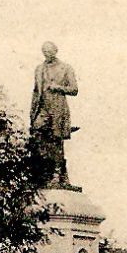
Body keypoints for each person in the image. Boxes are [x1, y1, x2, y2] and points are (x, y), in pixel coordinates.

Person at [30, 41, 79, 189]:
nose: (46, 53)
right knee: (38, 136)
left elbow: (74, 89)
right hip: (42, 108)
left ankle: (57, 174)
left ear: (55, 51)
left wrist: (58, 87)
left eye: (49, 51)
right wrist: (32, 114)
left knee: (56, 140)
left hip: (57, 108)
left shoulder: (66, 68)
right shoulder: (39, 69)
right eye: (44, 51)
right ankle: (44, 172)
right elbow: (35, 92)